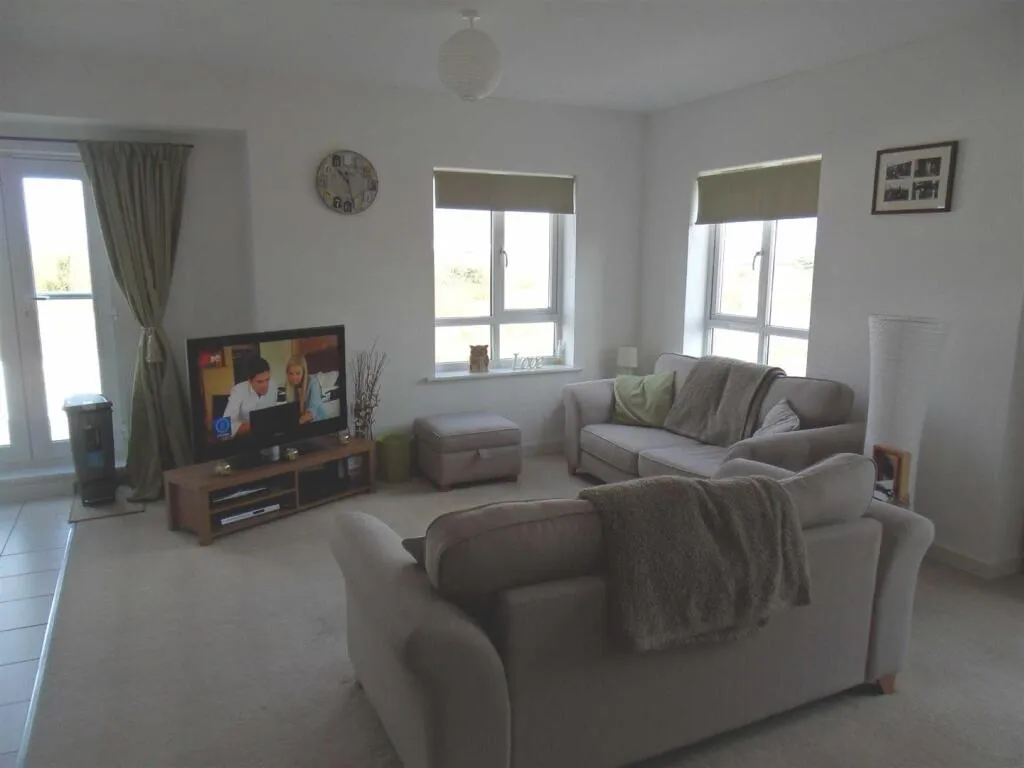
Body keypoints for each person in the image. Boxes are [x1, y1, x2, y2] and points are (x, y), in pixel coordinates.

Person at [220, 357, 278, 437]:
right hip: (246, 437)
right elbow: (224, 428)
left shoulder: (273, 385)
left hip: (269, 435)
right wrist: (255, 426)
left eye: (267, 380)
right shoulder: (238, 391)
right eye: (260, 382)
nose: (265, 385)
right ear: (250, 381)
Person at [285, 354, 326, 424]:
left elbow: (312, 411)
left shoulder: (313, 382)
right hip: (303, 422)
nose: (294, 377)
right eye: (291, 373)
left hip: (319, 421)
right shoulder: (289, 386)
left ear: (303, 373)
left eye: (298, 373)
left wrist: (295, 423)